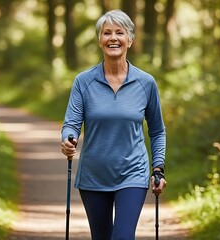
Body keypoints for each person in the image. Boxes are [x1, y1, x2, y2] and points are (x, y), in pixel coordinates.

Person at [60, 9, 167, 240]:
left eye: (120, 32)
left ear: (130, 39)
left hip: (133, 172)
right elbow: (71, 123)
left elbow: (157, 130)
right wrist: (68, 139)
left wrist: (158, 168)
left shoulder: (146, 83)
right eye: (107, 33)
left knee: (123, 237)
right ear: (100, 40)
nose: (113, 38)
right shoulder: (84, 82)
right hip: (94, 175)